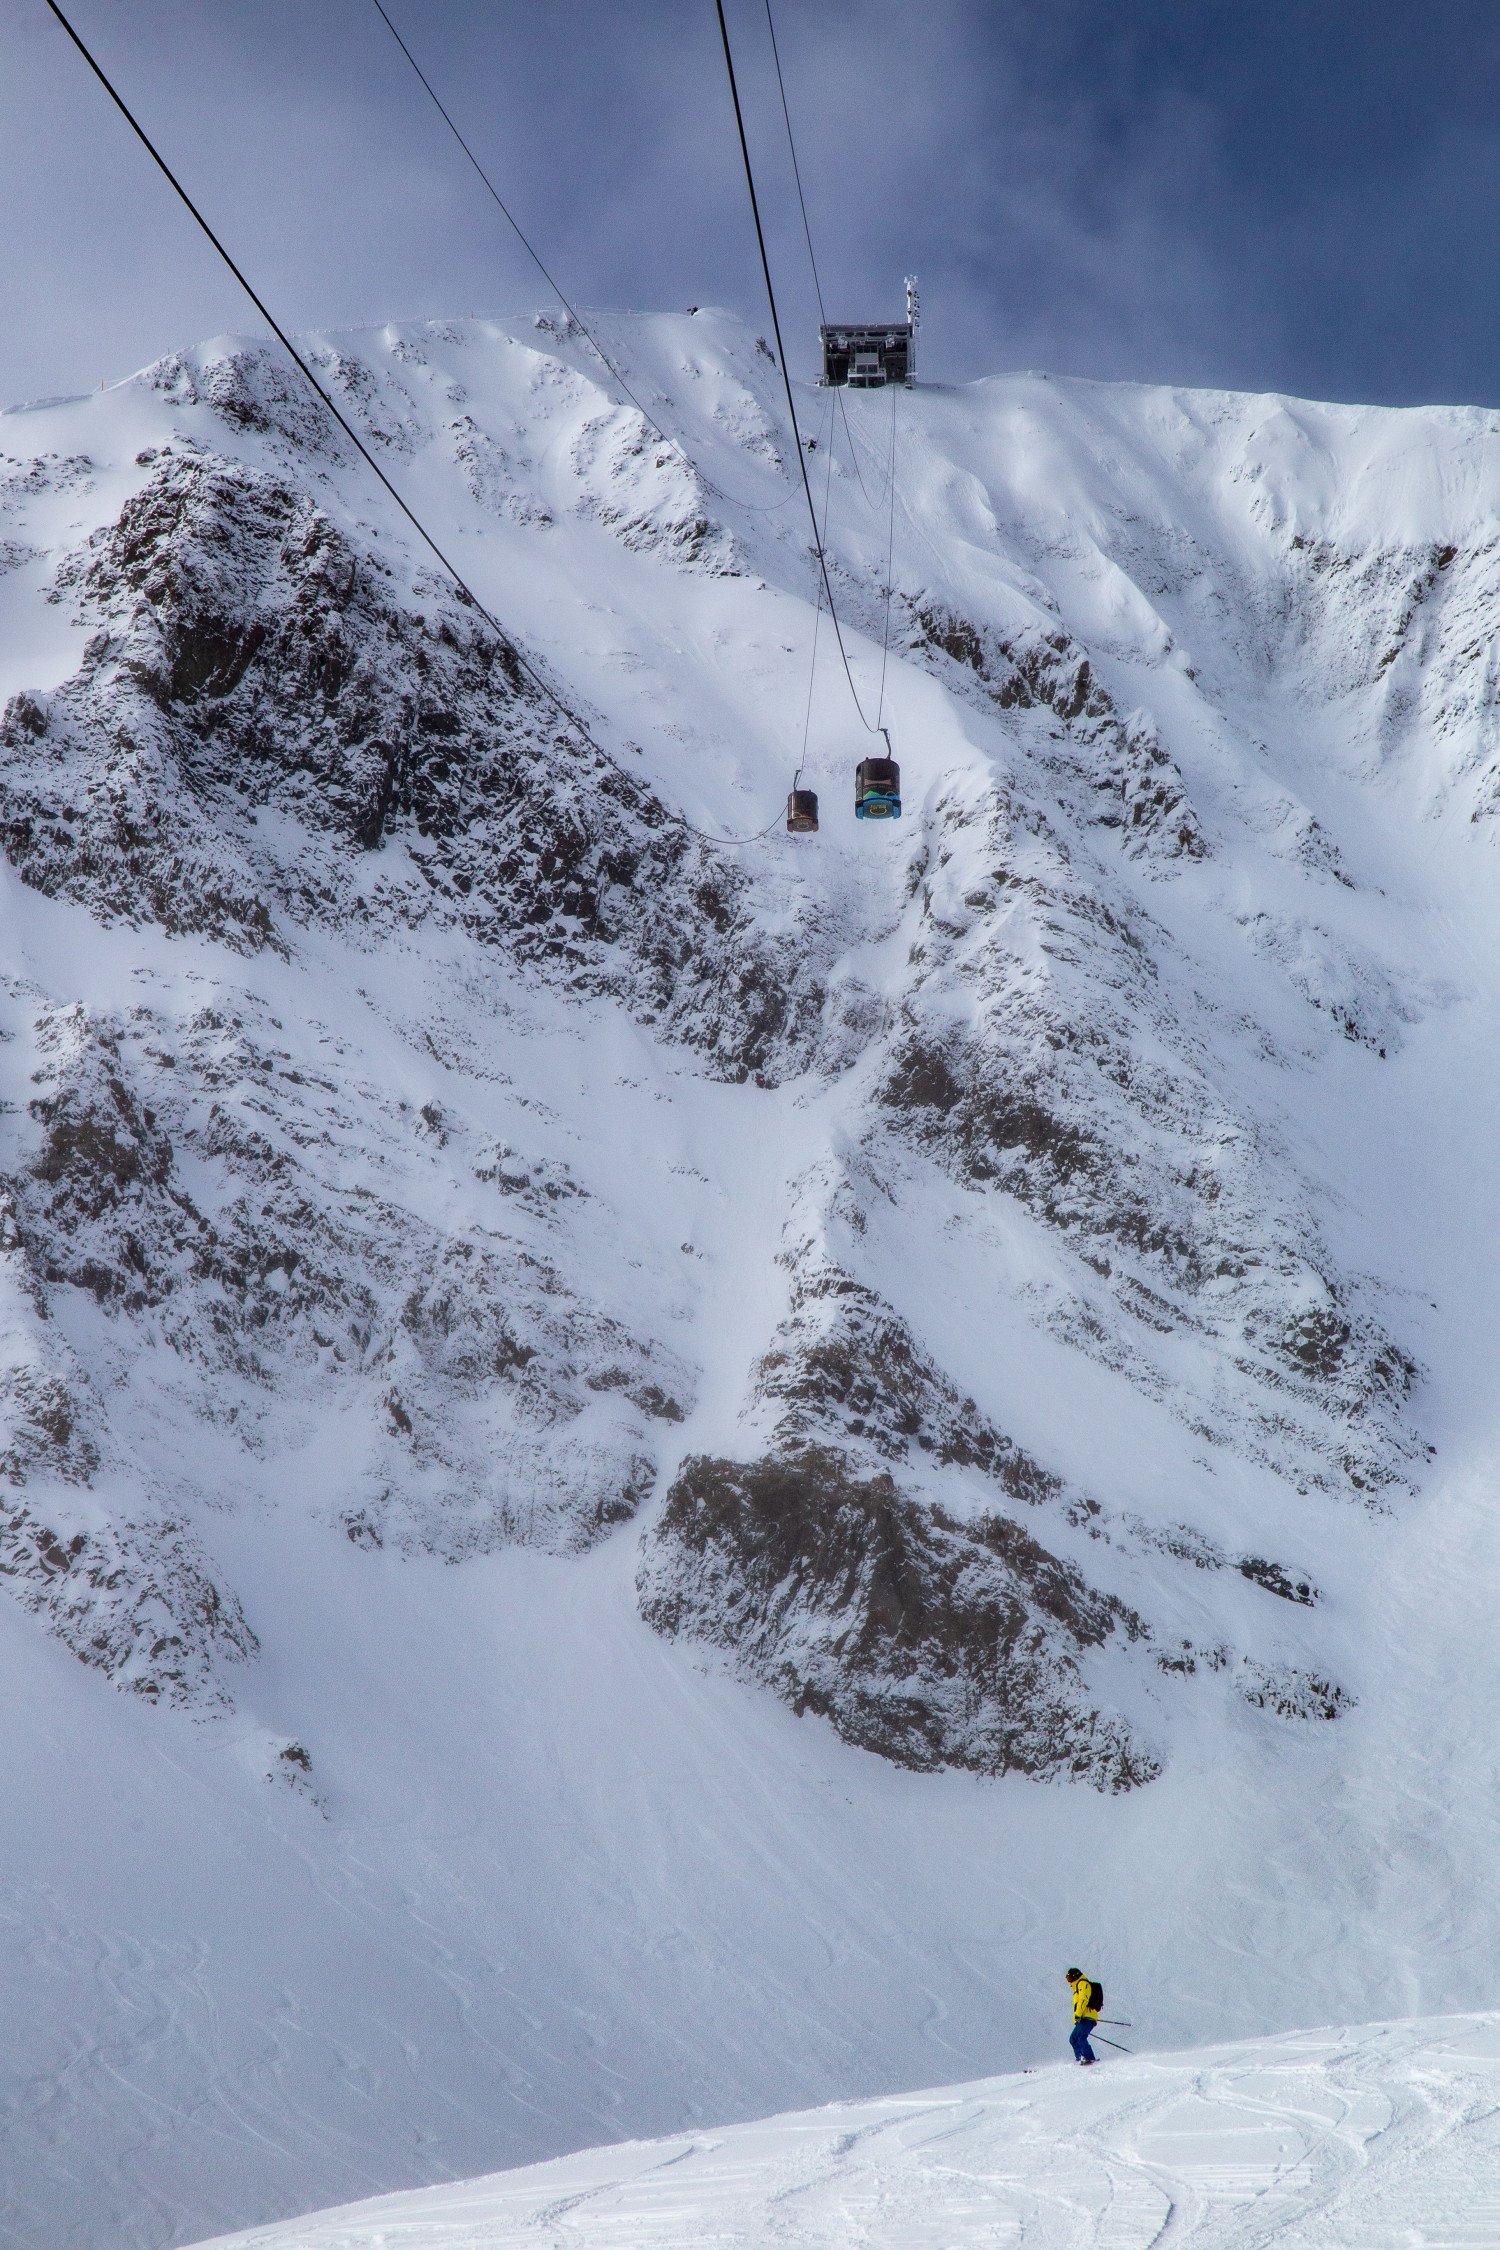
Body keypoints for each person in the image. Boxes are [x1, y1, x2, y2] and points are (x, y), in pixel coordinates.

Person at [1065, 1967, 1099, 2065]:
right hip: (1082, 2017)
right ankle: (1080, 2058)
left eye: (1070, 1979)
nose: (1069, 1982)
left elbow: (1083, 2000)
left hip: (1086, 2017)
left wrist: (1078, 2014)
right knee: (1073, 2039)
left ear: (1076, 1976)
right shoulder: (1077, 1988)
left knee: (1080, 2037)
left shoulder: (1083, 1984)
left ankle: (1089, 2058)